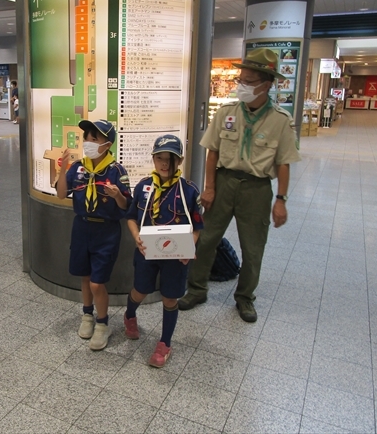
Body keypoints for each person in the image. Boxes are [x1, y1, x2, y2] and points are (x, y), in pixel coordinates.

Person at [178, 48, 301, 322]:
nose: (241, 86)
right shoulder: (227, 112)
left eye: (249, 81)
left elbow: (283, 162)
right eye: (240, 80)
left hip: (257, 189)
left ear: (267, 85)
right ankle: (196, 289)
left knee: (253, 247)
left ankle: (245, 298)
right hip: (224, 183)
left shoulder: (280, 121)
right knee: (206, 238)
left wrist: (280, 200)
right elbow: (213, 151)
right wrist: (209, 187)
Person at [124, 135, 204, 367]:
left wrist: (190, 247)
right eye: (160, 158)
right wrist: (136, 237)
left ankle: (165, 343)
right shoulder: (144, 186)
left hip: (175, 256)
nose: (165, 164)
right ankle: (129, 314)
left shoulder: (188, 191)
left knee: (170, 297)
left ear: (179, 161)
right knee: (140, 290)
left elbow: (198, 226)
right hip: (147, 250)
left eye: (171, 159)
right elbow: (130, 218)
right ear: (153, 159)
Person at [56, 119, 130, 350]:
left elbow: (126, 206)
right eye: (86, 137)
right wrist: (62, 169)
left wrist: (117, 195)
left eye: (94, 139)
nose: (88, 142)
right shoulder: (79, 167)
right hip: (82, 227)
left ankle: (102, 323)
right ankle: (87, 315)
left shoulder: (116, 170)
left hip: (106, 231)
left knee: (98, 283)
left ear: (106, 145)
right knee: (85, 277)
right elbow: (61, 194)